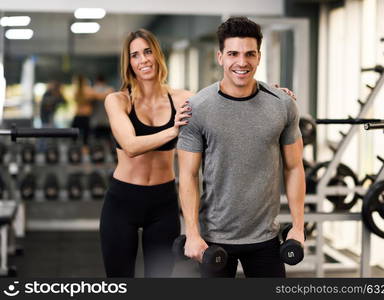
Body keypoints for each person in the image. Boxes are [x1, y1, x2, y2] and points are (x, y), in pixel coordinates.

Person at [177, 17, 305, 278]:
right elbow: (188, 176)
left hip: (266, 238)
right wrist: (191, 233)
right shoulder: (198, 108)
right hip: (214, 238)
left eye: (249, 54)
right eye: (233, 53)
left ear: (259, 56)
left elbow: (294, 167)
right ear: (220, 57)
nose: (242, 62)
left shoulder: (282, 104)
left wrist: (299, 227)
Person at [99, 29, 193, 278]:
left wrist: (268, 95)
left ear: (157, 55)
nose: (143, 60)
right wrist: (173, 131)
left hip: (163, 202)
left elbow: (222, 100)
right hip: (123, 201)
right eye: (135, 55)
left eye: (148, 52)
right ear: (129, 63)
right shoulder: (118, 100)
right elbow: (130, 146)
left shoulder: (182, 99)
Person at [90, 74, 114, 140]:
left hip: (96, 121)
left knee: (95, 141)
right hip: (107, 121)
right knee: (108, 141)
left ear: (96, 81)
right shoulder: (109, 90)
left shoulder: (92, 90)